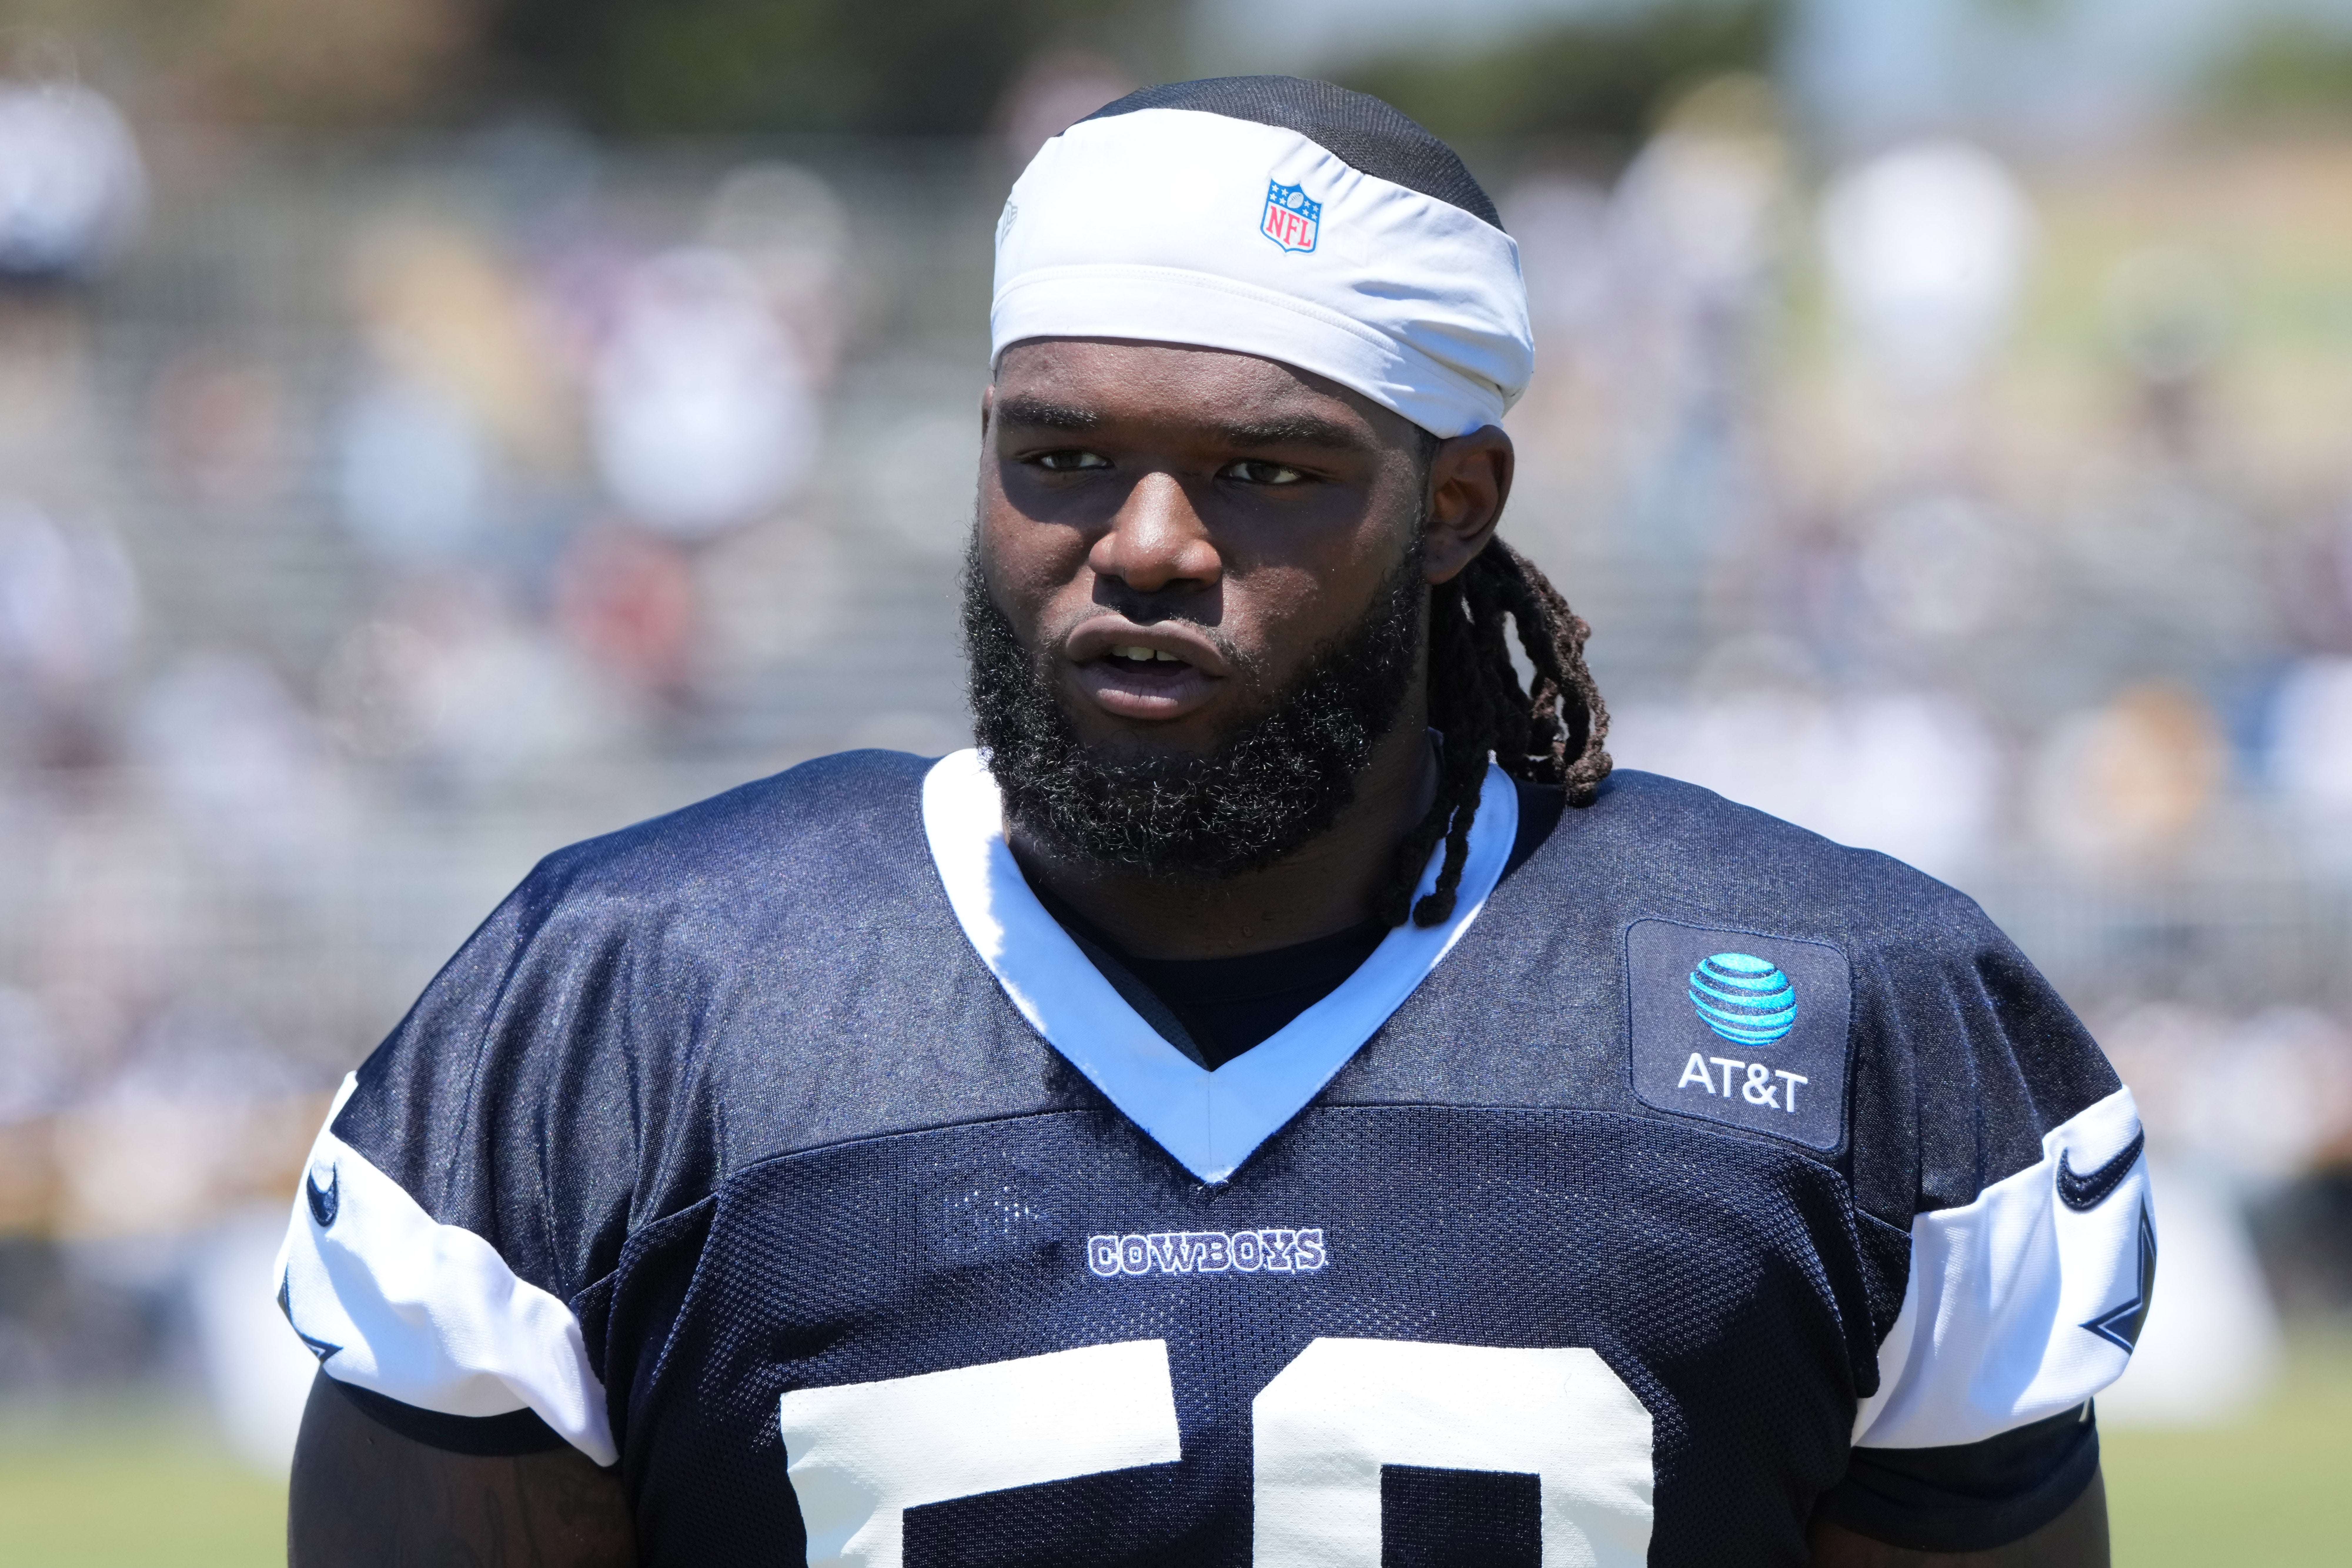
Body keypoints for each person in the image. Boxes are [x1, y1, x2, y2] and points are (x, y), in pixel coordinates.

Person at [280, 78, 2149, 1567]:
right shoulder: (630, 998)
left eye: (1264, 470)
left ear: (1453, 503)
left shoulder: (1840, 1000)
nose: (1148, 544)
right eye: (1061, 453)